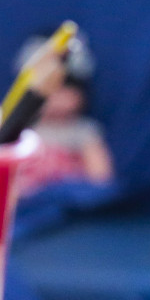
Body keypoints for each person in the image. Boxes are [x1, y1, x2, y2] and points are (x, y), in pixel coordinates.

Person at [12, 30, 115, 197]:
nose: (56, 98)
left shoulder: (82, 131)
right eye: (50, 88)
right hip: (28, 208)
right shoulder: (20, 130)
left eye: (67, 88)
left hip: (70, 206)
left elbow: (101, 180)